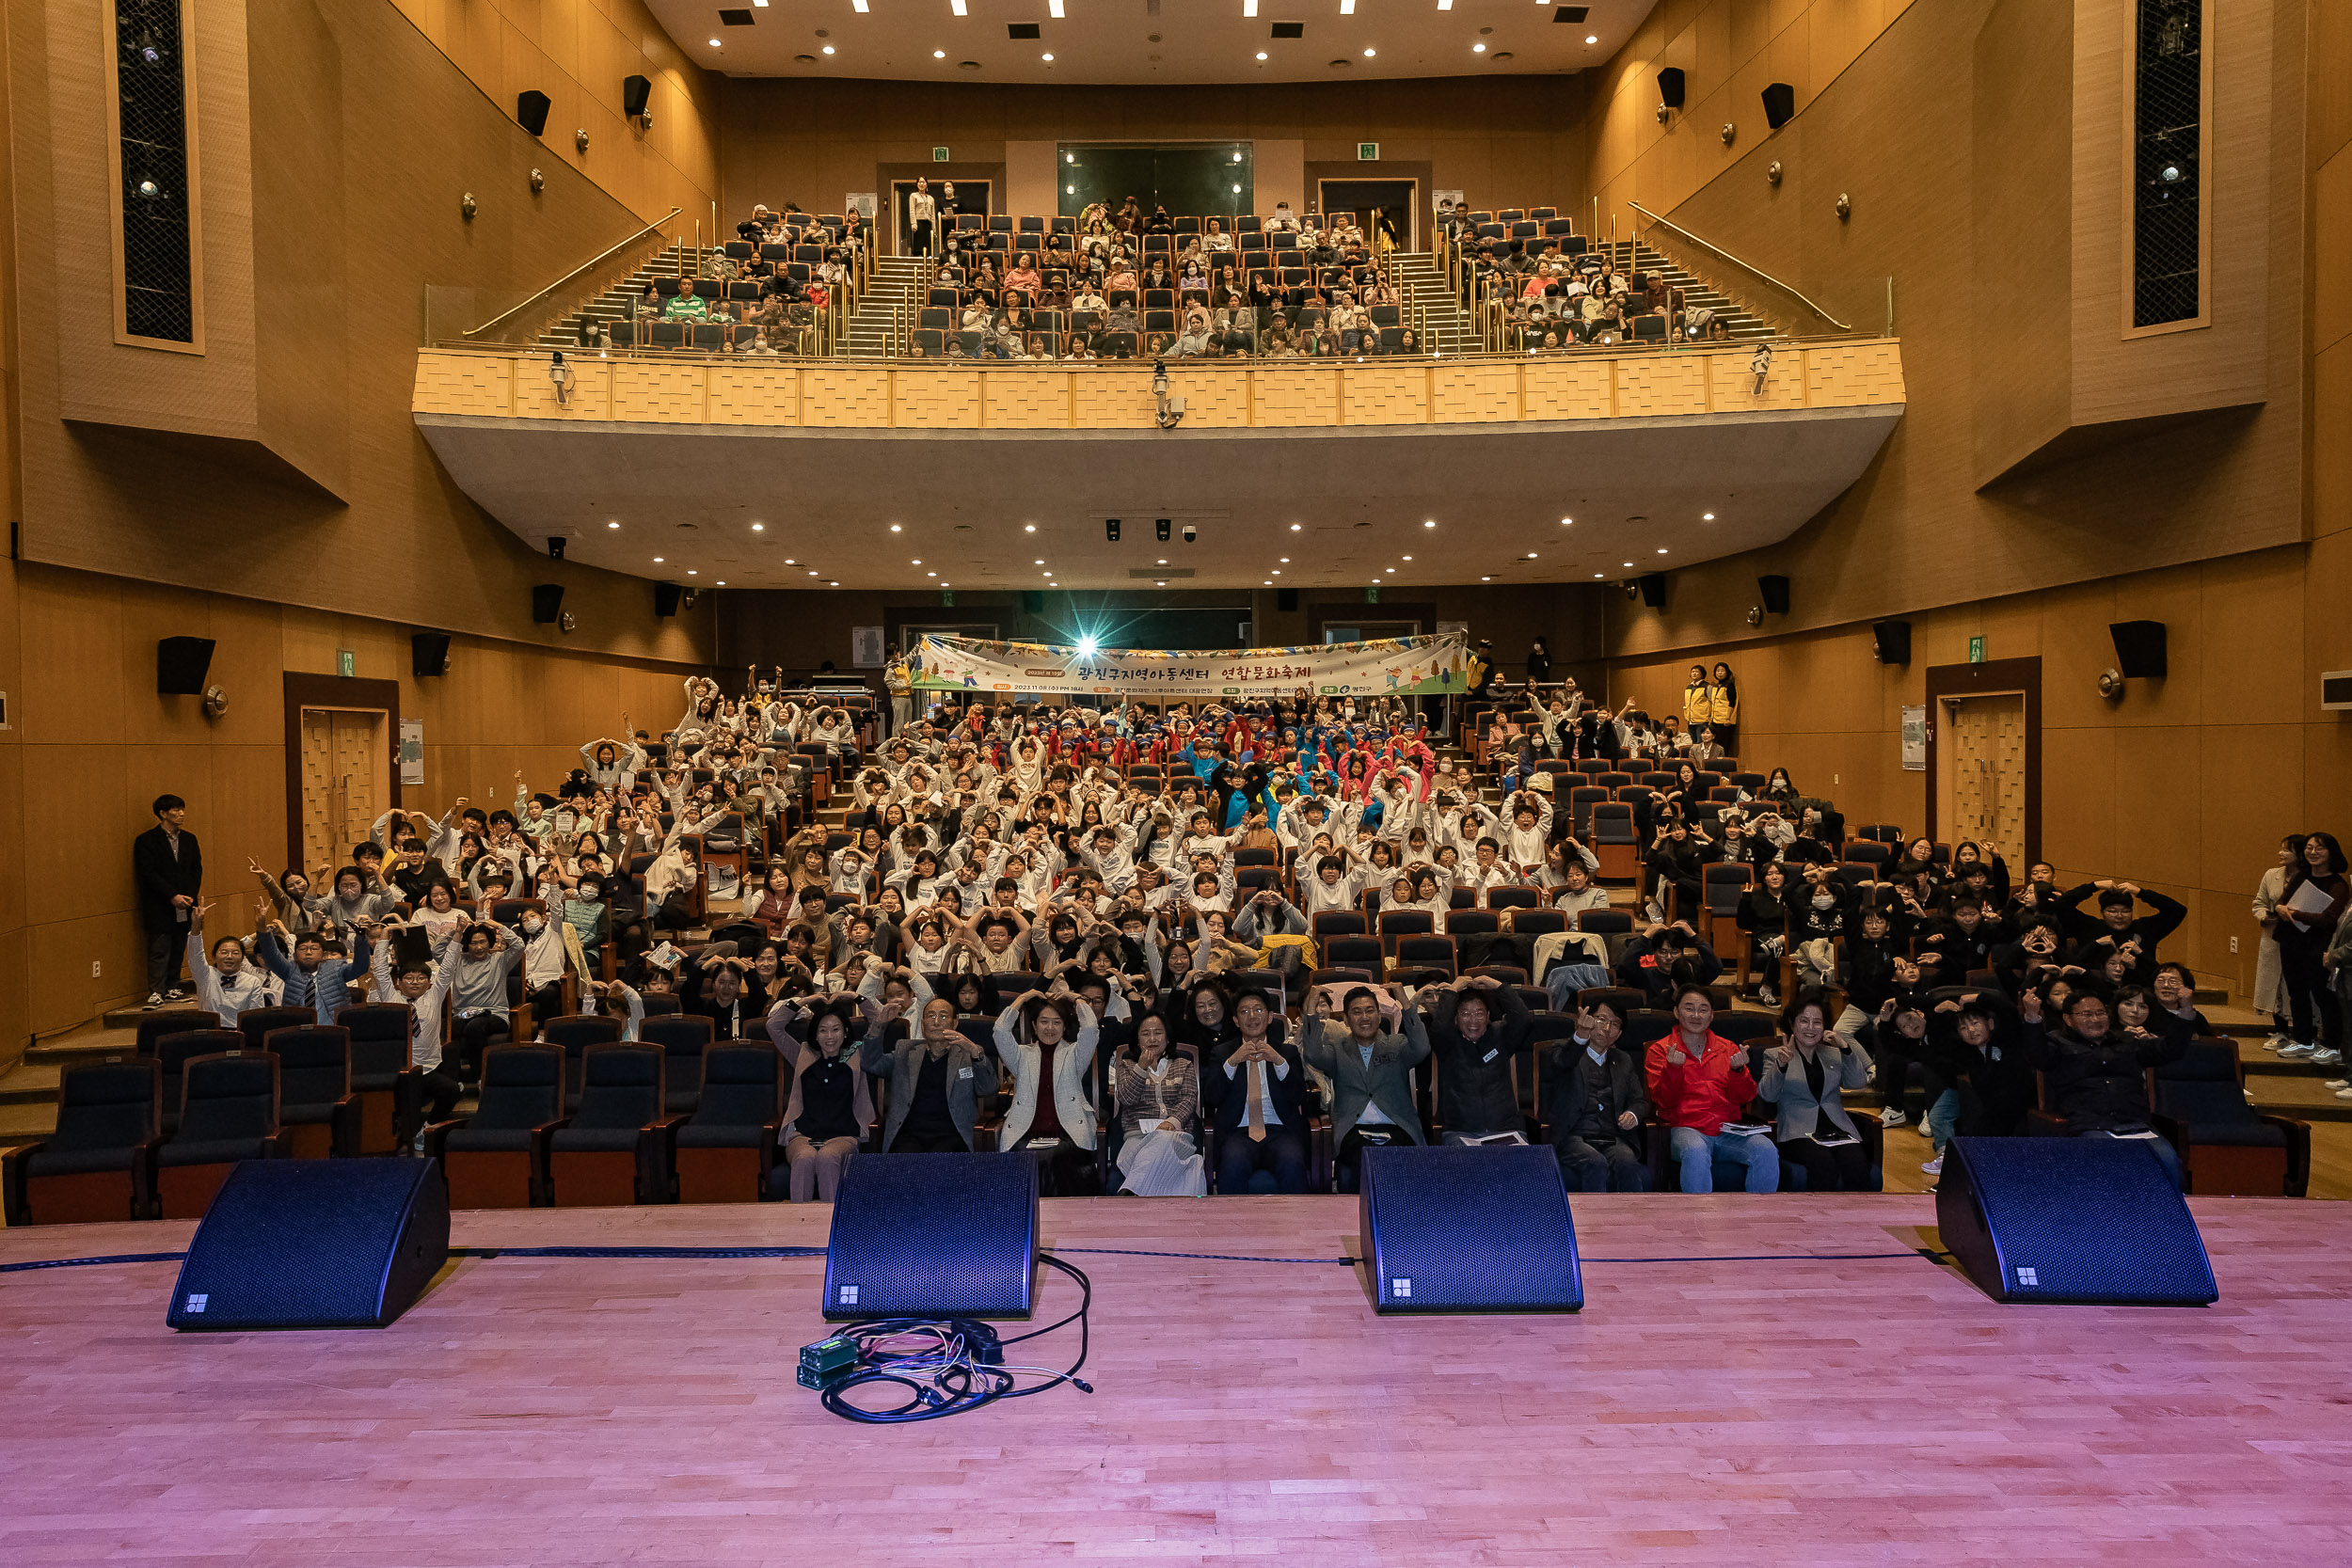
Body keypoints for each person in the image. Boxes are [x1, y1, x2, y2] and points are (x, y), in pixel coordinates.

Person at [2017, 983, 2191, 1189]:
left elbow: (2171, 1050)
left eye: (2100, 1013)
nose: (2095, 1019)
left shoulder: (2127, 1041)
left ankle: (2170, 1218)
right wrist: (2032, 1016)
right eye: (2086, 1014)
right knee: (2110, 1168)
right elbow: (2038, 1057)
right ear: (2068, 1019)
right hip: (2089, 1125)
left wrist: (2186, 1010)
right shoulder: (2057, 1043)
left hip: (2135, 1124)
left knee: (2169, 1164)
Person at [1645, 983, 1778, 1193]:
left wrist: (1738, 1072)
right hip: (1685, 1129)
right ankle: (1699, 1220)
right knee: (1696, 1149)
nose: (1696, 1015)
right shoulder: (1661, 1050)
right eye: (1689, 1008)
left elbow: (1746, 1097)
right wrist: (1674, 1069)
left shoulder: (1728, 1048)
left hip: (1726, 1129)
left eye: (1703, 1009)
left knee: (1765, 1148)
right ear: (1676, 1012)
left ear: (1712, 1015)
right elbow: (1663, 1101)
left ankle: (1758, 1219)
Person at [1299, 982, 1429, 1193]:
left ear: (1379, 1015)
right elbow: (1312, 1054)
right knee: (1363, 1155)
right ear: (1346, 1020)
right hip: (1353, 1129)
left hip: (1397, 1126)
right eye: (1357, 1012)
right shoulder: (1337, 1050)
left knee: (1394, 1156)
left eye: (1370, 1011)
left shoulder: (1397, 1045)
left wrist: (1403, 1001)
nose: (1365, 1017)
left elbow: (1422, 1047)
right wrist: (1312, 1006)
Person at [1756, 992, 1874, 1191]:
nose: (1811, 1028)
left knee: (1857, 1163)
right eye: (1804, 1021)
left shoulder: (1833, 1054)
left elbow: (1858, 1082)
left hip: (1836, 1129)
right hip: (1797, 1132)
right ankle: (1819, 1220)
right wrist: (1781, 1066)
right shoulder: (1775, 1054)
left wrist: (1845, 1048)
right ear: (1792, 1024)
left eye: (1817, 1022)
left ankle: (1857, 1219)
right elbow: (1768, 1094)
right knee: (1823, 1163)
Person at [992, 989, 1102, 1195]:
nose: (1050, 1028)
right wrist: (1023, 998)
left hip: (1067, 1133)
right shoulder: (1021, 1056)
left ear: (1064, 1027)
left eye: (1057, 1022)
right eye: (1044, 1021)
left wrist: (1076, 999)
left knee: (1053, 1157)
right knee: (1028, 1156)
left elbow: (1090, 1028)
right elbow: (1000, 1031)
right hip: (1026, 1132)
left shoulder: (1074, 1054)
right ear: (1034, 1025)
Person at [1202, 990, 1311, 1193]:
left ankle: (1296, 1222)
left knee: (1292, 1162)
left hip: (1280, 1131)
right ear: (1236, 1020)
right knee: (1233, 1164)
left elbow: (1298, 1096)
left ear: (1270, 1017)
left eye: (1258, 1010)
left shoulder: (1287, 1052)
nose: (1252, 1016)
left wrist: (1279, 1062)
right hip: (1238, 1132)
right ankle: (1233, 1223)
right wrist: (1232, 1062)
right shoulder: (1223, 1053)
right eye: (1244, 1012)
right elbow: (1212, 1098)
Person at [862, 992, 993, 1153]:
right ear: (923, 1025)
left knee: (942, 1162)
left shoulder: (968, 1054)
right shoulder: (905, 1051)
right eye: (931, 1016)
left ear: (955, 1023)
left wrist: (976, 1053)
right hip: (909, 1136)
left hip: (952, 1136)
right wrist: (879, 1024)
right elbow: (871, 1064)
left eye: (944, 1017)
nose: (937, 1022)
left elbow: (988, 1089)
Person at [1545, 1000, 1653, 1191]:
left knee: (1627, 1163)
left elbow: (1639, 1100)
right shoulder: (1564, 1050)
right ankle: (1594, 1220)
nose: (1607, 1028)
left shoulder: (1623, 1060)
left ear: (1619, 1033)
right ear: (1587, 1020)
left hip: (1612, 1135)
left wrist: (1633, 1115)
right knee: (1595, 1163)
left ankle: (1633, 1219)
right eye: (1601, 1020)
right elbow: (1562, 1063)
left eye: (1615, 1024)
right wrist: (1580, 1036)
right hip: (1574, 1135)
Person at [771, 997, 871, 1201]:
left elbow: (880, 1020)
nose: (829, 1036)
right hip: (802, 1136)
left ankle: (830, 1228)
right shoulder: (803, 1055)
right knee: (805, 1160)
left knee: (827, 1158)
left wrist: (855, 996)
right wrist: (806, 1000)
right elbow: (773, 1026)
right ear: (815, 1034)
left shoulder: (856, 1054)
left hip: (843, 1137)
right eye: (823, 1030)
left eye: (836, 1029)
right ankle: (800, 1225)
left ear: (845, 1032)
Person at [1422, 974, 1533, 1144]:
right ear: (1456, 1018)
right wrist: (1452, 990)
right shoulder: (1447, 1043)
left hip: (1506, 1129)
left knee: (1527, 1167)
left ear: (1488, 1016)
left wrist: (1497, 985)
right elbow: (1440, 1026)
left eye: (1479, 1013)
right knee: (1468, 1169)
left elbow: (1523, 1018)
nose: (1473, 1020)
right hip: (1461, 1132)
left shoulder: (1501, 1036)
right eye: (1465, 1013)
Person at [1109, 1012, 1205, 1196]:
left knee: (1162, 1137)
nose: (1152, 1038)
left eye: (1158, 1033)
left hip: (1177, 1137)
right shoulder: (1127, 1066)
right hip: (1137, 1138)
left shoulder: (1183, 1065)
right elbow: (1126, 1098)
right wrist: (1141, 1068)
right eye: (1146, 1033)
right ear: (1137, 1040)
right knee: (1172, 1160)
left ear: (1167, 1038)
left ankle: (1130, 1192)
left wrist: (1172, 1122)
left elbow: (1189, 1099)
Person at [2275, 832, 2349, 1063]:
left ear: (2331, 852)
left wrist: (2294, 913)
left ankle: (2331, 1044)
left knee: (2322, 994)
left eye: (2319, 848)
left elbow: (2329, 919)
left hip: (2317, 946)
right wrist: (2280, 909)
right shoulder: (2301, 877)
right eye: (2309, 848)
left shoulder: (2338, 884)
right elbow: (2281, 901)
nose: (2313, 852)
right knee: (2296, 992)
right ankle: (2304, 1039)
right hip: (2291, 942)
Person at [135, 793, 203, 1006]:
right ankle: (156, 991)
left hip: (186, 902)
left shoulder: (189, 839)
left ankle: (173, 986)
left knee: (179, 945)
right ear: (163, 813)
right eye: (176, 810)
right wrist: (171, 895)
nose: (182, 813)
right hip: (159, 904)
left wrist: (190, 895)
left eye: (182, 809)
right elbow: (147, 873)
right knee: (159, 948)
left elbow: (196, 869)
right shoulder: (146, 840)